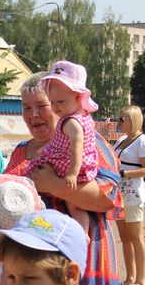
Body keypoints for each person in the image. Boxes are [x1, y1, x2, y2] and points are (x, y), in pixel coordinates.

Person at [5, 73, 128, 285]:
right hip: (34, 262)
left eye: (42, 106)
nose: (34, 115)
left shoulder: (89, 140)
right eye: (26, 107)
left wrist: (51, 184)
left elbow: (109, 197)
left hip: (84, 257)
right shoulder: (22, 152)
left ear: (65, 104)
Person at [24, 61, 100, 234]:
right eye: (52, 102)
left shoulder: (71, 122)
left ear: (77, 97)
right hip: (66, 168)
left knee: (32, 178)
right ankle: (82, 232)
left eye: (60, 102)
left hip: (66, 167)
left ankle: (81, 233)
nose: (56, 107)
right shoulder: (82, 117)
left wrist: (68, 176)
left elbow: (77, 145)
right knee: (74, 205)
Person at [113, 105, 145, 285]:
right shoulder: (121, 140)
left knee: (137, 237)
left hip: (133, 193)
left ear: (133, 120)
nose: (119, 123)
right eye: (119, 119)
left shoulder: (142, 141)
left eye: (123, 119)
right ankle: (129, 278)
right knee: (125, 238)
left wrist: (125, 172)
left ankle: (141, 280)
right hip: (119, 193)